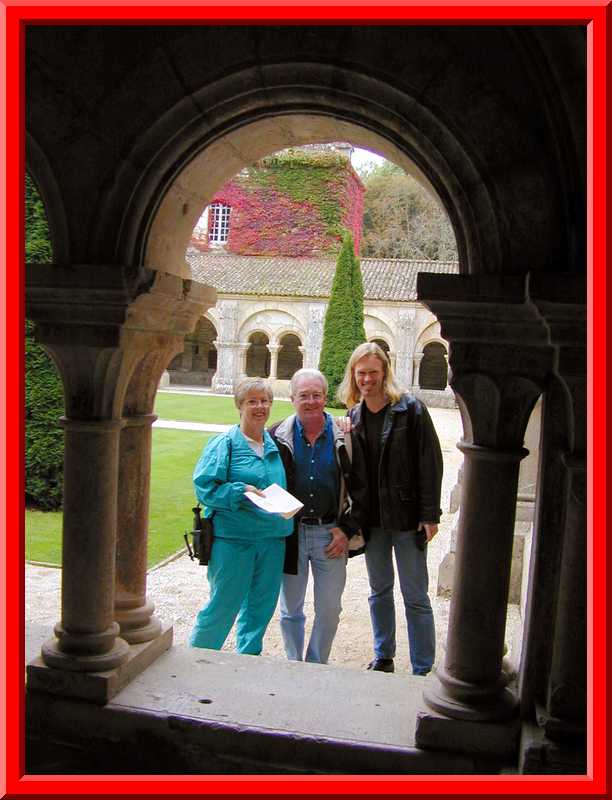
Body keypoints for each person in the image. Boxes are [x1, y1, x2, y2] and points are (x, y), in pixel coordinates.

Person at [337, 343, 443, 676]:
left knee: (415, 594)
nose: (367, 379)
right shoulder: (353, 416)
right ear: (354, 376)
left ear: (385, 372)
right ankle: (384, 656)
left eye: (373, 372)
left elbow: (430, 462)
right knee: (379, 590)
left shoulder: (410, 409)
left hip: (407, 517)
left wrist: (430, 515)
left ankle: (422, 666)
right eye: (361, 373)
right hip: (373, 521)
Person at [268, 368, 368, 664]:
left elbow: (363, 490)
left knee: (329, 609)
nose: (310, 401)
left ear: (325, 397)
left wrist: (346, 529)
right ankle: (294, 662)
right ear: (292, 398)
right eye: (303, 396)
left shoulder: (346, 436)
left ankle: (316, 663)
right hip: (292, 533)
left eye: (316, 395)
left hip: (330, 534)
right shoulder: (275, 436)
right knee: (291, 608)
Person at [189, 377, 293, 655]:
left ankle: (247, 663)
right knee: (223, 606)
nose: (260, 406)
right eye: (253, 401)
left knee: (260, 610)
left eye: (265, 401)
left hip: (272, 541)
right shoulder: (225, 444)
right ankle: (197, 662)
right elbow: (205, 487)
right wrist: (239, 491)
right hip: (234, 541)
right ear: (240, 405)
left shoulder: (274, 445)